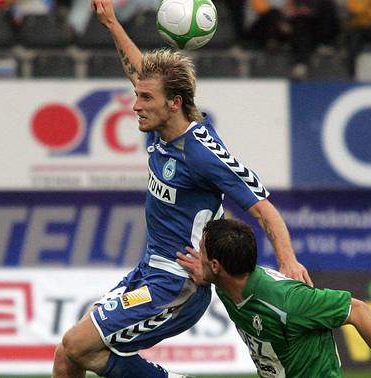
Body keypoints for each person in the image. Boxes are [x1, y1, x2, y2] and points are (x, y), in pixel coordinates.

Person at [52, 0, 311, 377]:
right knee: (66, 355)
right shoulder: (163, 124)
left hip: (176, 283)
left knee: (78, 346)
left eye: (145, 99)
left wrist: (288, 261)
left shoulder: (203, 154)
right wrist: (110, 22)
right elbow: (138, 68)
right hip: (146, 271)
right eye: (137, 95)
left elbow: (264, 209)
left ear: (174, 104)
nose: (134, 105)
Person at [177, 218, 371, 378]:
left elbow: (358, 310)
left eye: (202, 252)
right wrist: (205, 274)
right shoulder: (225, 284)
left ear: (217, 265)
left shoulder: (287, 300)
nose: (198, 256)